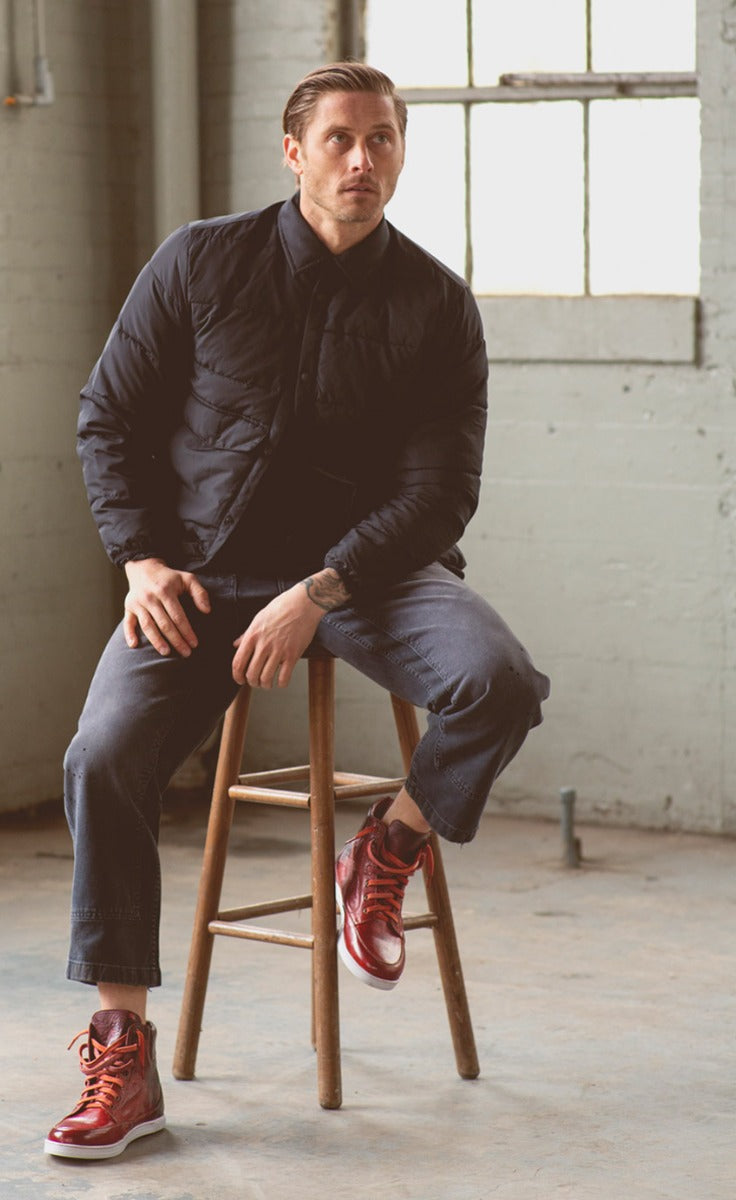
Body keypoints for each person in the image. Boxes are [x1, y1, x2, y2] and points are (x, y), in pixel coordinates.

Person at [44, 61, 549, 1161]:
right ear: (292, 151)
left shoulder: (432, 303)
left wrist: (318, 592)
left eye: (381, 140)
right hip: (198, 579)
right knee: (100, 760)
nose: (361, 160)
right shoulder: (198, 261)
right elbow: (108, 417)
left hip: (364, 576)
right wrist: (139, 561)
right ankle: (121, 1049)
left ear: (400, 153)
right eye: (337, 139)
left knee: (499, 682)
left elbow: (437, 494)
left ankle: (386, 848)